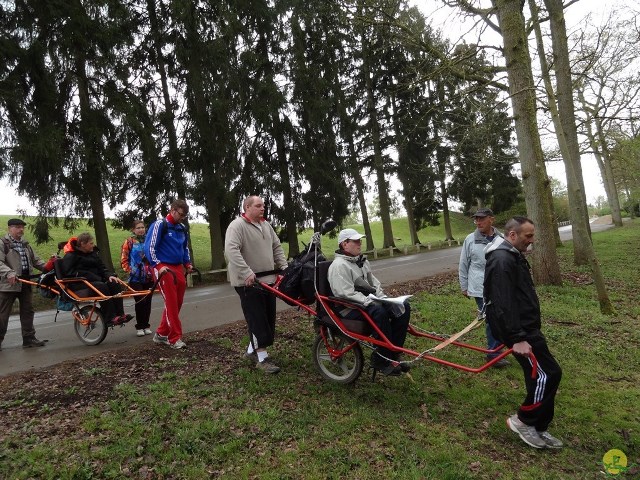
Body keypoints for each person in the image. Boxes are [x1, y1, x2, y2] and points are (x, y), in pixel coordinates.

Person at [484, 216, 563, 449]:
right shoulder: (501, 259)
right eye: (528, 236)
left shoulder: (511, 256)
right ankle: (523, 421)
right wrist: (517, 338)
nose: (532, 240)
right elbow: (502, 302)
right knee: (548, 374)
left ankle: (539, 427)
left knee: (538, 375)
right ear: (512, 235)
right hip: (520, 331)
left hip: (526, 327)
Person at [328, 228, 411, 376]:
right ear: (344, 244)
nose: (360, 243)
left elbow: (374, 284)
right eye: (355, 241)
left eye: (360, 240)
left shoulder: (362, 262)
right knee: (379, 312)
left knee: (403, 307)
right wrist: (370, 302)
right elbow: (345, 294)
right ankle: (381, 359)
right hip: (349, 308)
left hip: (367, 302)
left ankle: (394, 352)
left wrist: (383, 298)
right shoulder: (339, 266)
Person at [225, 195, 288, 374]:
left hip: (268, 280)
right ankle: (262, 359)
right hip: (248, 283)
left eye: (263, 206)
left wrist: (284, 267)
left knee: (268, 318)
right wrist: (246, 272)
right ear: (247, 207)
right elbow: (231, 251)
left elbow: (276, 247)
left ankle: (251, 351)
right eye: (258, 206)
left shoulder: (266, 225)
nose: (263, 208)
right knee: (257, 318)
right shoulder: (237, 226)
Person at [458, 208, 509, 368]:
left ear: (491, 219)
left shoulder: (501, 238)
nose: (478, 222)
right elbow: (463, 264)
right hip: (480, 287)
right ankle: (493, 355)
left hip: (500, 286)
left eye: (481, 219)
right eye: (476, 219)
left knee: (501, 317)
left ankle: (498, 350)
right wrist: (464, 286)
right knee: (491, 319)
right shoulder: (470, 239)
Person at [144, 199, 193, 349]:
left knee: (177, 302)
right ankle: (174, 338)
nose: (182, 218)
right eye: (180, 214)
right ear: (172, 210)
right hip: (163, 267)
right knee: (171, 302)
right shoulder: (160, 225)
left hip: (177, 267)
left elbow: (184, 248)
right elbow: (149, 247)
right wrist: (158, 266)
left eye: (184, 216)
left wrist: (187, 263)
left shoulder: (181, 228)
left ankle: (161, 334)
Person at [61, 232, 132, 327]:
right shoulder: (71, 256)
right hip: (79, 285)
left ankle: (120, 314)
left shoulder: (93, 254)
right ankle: (110, 318)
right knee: (101, 287)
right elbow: (68, 273)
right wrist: (89, 276)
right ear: (82, 244)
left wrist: (109, 276)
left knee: (114, 283)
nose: (93, 245)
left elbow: (102, 268)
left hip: (95, 281)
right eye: (90, 243)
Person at [0, 218, 49, 349]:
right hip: (8, 284)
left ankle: (29, 339)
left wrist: (50, 267)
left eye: (22, 227)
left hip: (25, 282)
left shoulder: (25, 244)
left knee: (28, 311)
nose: (21, 229)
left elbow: (36, 261)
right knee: (3, 313)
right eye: (17, 227)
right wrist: (9, 272)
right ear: (9, 228)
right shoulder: (2, 243)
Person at [121, 220, 154, 337]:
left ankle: (146, 325)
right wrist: (130, 270)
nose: (141, 229)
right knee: (140, 301)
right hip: (135, 278)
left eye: (142, 227)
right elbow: (124, 259)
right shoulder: (129, 242)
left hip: (149, 277)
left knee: (148, 302)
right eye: (138, 228)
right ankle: (140, 326)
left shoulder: (149, 240)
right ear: (133, 230)